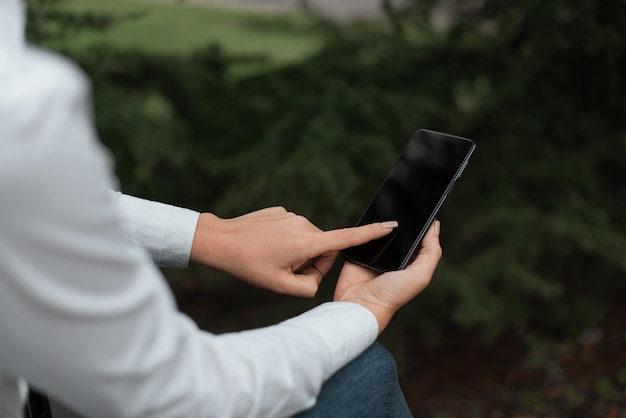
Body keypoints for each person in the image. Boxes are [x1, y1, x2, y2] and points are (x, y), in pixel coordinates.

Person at [0, 0, 442, 417]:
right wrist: (363, 310)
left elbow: (27, 211)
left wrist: (210, 235)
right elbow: (184, 397)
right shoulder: (24, 108)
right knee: (364, 371)